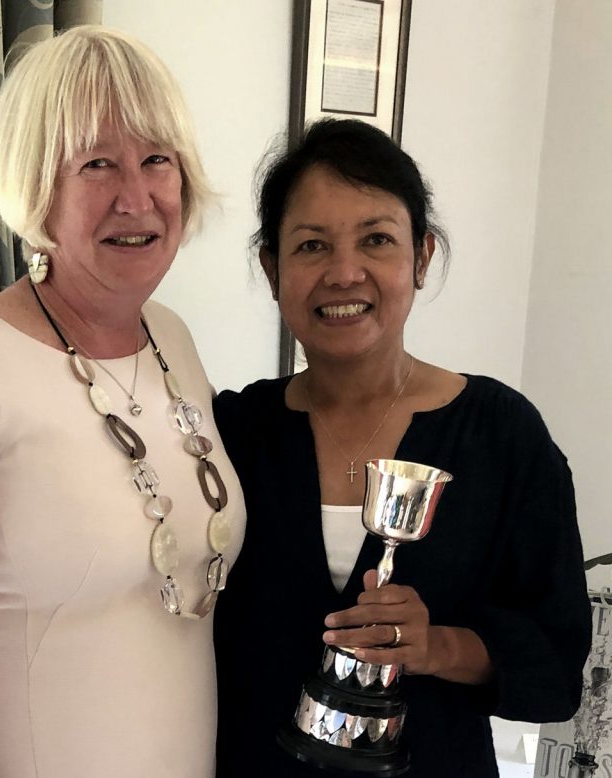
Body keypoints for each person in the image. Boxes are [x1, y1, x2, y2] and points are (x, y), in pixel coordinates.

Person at [0, 26, 245, 778]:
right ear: (37, 186)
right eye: (97, 163)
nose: (137, 196)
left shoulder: (173, 341)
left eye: (156, 159)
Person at [213, 118, 591, 777]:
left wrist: (436, 646)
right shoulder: (233, 433)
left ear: (421, 256)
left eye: (377, 240)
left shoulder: (502, 436)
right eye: (311, 246)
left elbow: (556, 666)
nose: (344, 272)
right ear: (272, 269)